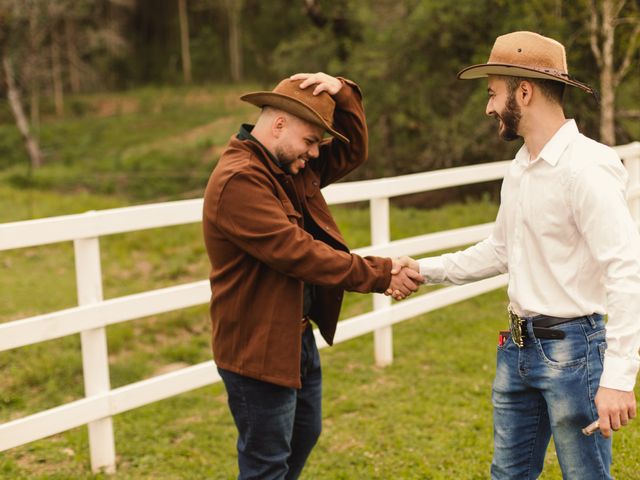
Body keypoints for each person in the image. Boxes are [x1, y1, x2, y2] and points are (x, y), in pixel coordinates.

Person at [393, 31, 639, 479]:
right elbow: (501, 249)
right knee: (508, 475)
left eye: (493, 93)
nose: (488, 107)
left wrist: (619, 378)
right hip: (517, 350)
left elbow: (626, 270)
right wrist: (424, 270)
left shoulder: (587, 167)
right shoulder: (521, 166)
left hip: (575, 353)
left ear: (523, 92)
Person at [202, 71, 423, 480]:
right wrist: (379, 272)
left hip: (294, 337)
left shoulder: (291, 166)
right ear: (279, 123)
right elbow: (298, 253)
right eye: (310, 142)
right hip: (257, 347)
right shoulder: (241, 180)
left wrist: (343, 92)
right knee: (266, 464)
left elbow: (352, 151)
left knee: (303, 434)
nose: (315, 155)